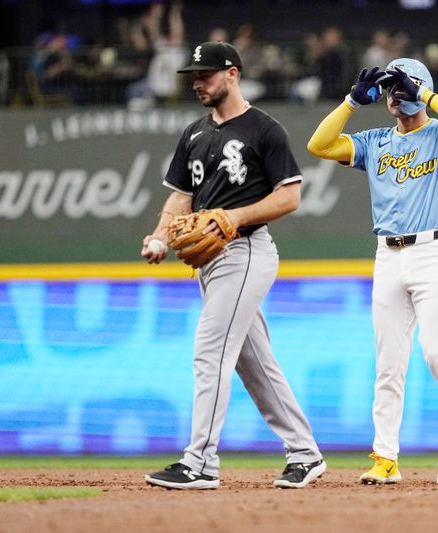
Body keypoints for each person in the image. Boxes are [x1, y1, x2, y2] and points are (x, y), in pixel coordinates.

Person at [141, 41, 326, 490]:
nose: (197, 82)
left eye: (205, 74)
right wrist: (160, 236)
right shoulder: (194, 133)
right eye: (193, 76)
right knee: (254, 364)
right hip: (209, 264)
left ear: (232, 74)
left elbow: (290, 195)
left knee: (210, 349)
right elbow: (180, 197)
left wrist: (234, 216)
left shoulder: (264, 129)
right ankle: (305, 453)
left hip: (245, 252)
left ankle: (200, 461)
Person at [306, 58, 438, 484]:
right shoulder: (375, 141)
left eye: (400, 86)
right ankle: (385, 457)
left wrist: (422, 94)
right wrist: (352, 101)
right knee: (388, 363)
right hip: (387, 255)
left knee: (437, 349)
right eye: (390, 87)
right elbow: (319, 145)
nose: (393, 94)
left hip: (432, 249)